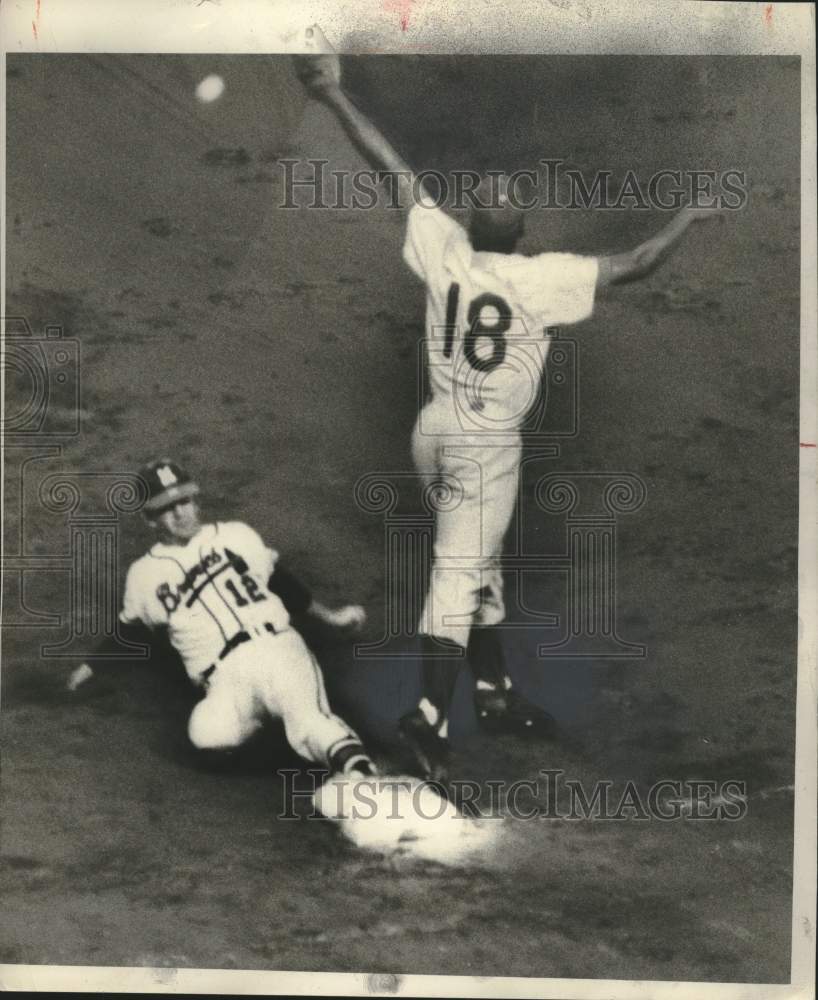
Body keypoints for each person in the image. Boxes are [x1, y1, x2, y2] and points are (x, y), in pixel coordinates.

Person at [295, 48, 721, 781]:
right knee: (458, 573)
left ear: (472, 225)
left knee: (476, 560)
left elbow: (388, 165)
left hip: (431, 434)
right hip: (486, 448)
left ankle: (493, 693)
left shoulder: (446, 250)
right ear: (522, 235)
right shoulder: (542, 278)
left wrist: (333, 95)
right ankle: (426, 718)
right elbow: (640, 262)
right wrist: (692, 212)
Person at [67, 458, 377, 780]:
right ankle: (277, 739)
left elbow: (280, 582)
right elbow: (131, 631)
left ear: (195, 500)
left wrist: (331, 617)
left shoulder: (236, 535)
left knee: (310, 721)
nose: (180, 513)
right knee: (207, 735)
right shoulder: (143, 576)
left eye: (184, 501)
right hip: (223, 678)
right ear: (149, 518)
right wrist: (89, 667)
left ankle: (364, 775)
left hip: (276, 649)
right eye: (167, 507)